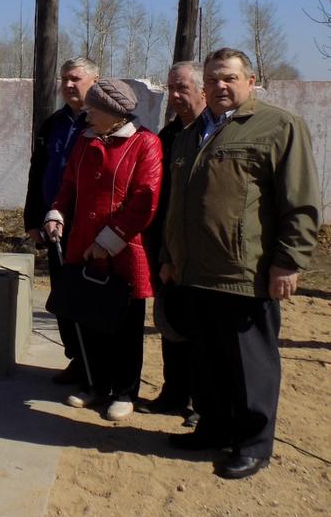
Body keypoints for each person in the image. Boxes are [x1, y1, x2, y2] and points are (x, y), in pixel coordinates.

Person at [161, 48, 320, 480]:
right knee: (207, 361)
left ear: (251, 81)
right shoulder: (191, 134)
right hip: (195, 272)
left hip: (244, 274)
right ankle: (213, 428)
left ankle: (253, 443)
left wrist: (288, 262)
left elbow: (301, 203)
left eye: (229, 78)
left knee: (251, 365)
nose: (219, 86)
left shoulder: (278, 127)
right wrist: (171, 257)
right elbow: (176, 206)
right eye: (212, 79)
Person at [43, 79, 162, 422]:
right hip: (83, 245)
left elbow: (145, 200)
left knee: (125, 322)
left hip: (123, 249)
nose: (87, 113)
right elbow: (68, 186)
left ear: (113, 112)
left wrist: (109, 240)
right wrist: (57, 214)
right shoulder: (85, 141)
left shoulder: (145, 144)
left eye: (93, 108)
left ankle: (125, 391)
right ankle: (95, 384)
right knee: (89, 316)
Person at [136, 62, 206, 422]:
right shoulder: (167, 137)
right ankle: (174, 391)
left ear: (201, 91)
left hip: (202, 255)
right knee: (170, 322)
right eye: (171, 89)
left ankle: (198, 401)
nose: (176, 96)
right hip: (165, 247)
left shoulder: (212, 134)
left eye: (182, 88)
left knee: (199, 330)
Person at [23, 56, 98, 385]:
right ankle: (75, 359)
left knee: (89, 297)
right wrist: (32, 219)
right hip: (54, 229)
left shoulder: (102, 123)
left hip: (89, 229)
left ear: (94, 81)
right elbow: (37, 172)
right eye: (65, 79)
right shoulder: (53, 123)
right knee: (63, 295)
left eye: (76, 79)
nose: (68, 85)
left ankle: (94, 363)